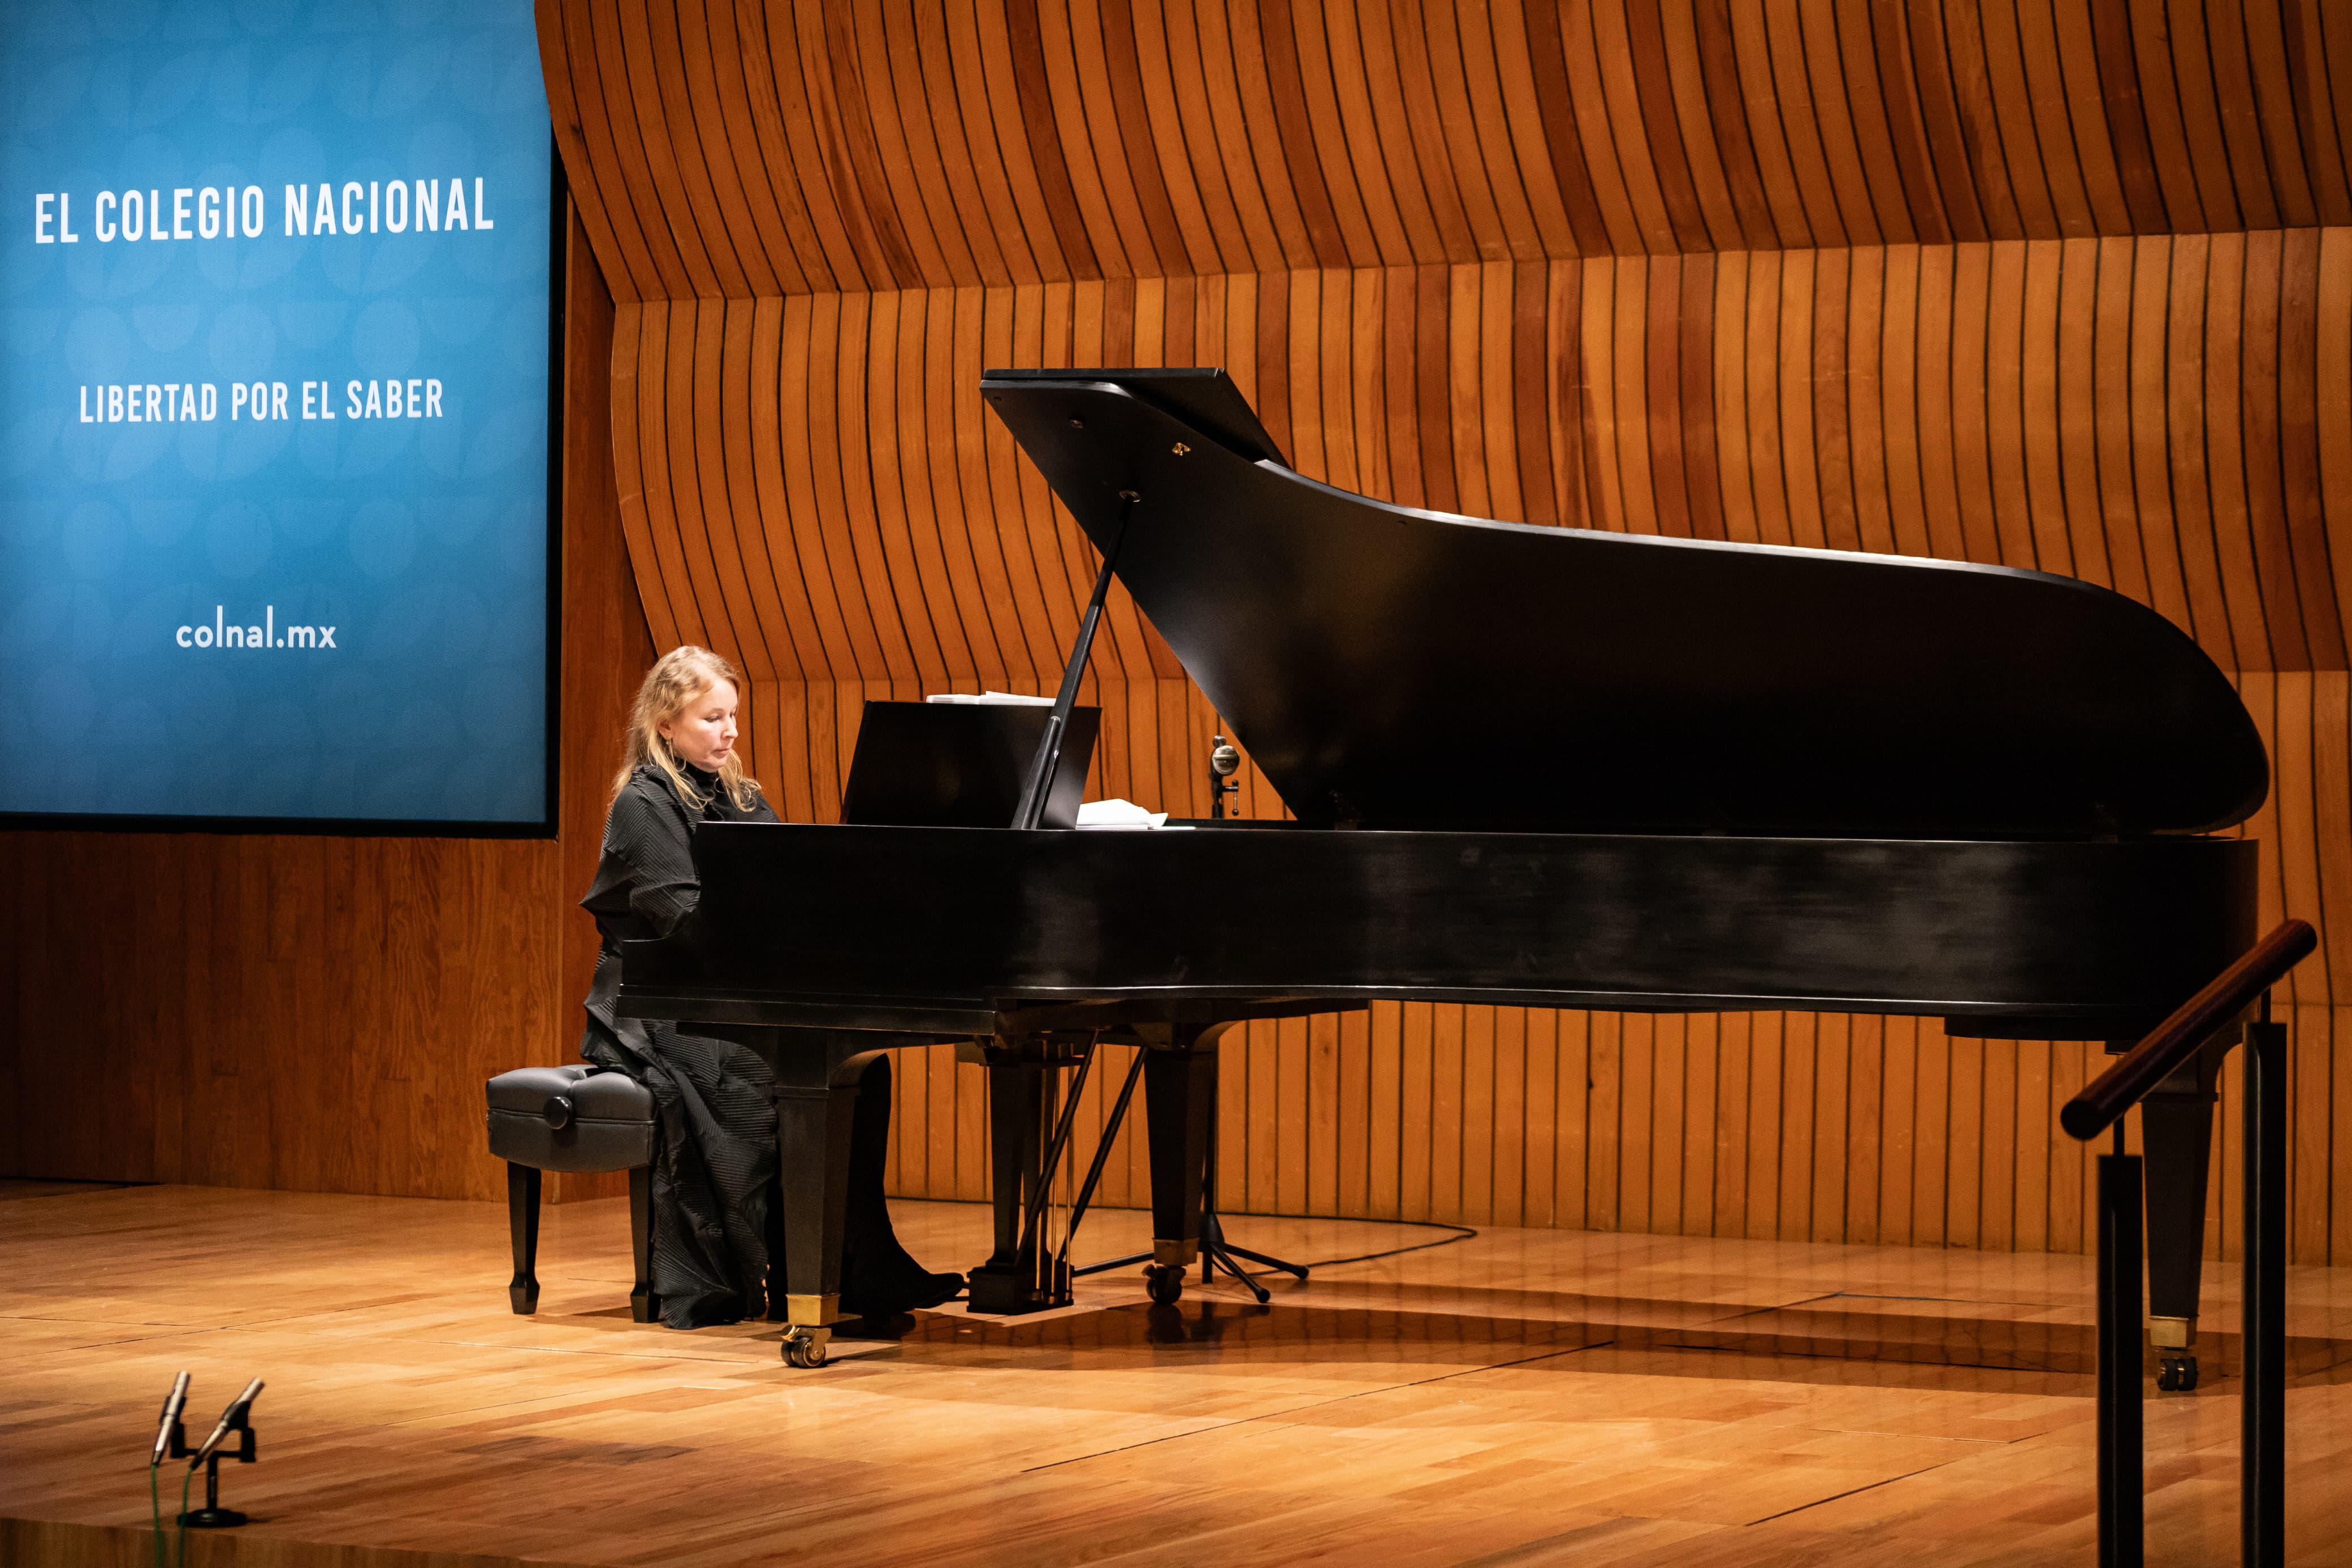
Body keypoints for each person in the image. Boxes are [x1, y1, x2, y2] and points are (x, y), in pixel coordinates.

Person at [578, 645, 961, 1327]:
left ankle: (851, 1270)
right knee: (761, 1070)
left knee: (857, 1064)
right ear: (665, 724)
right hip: (661, 998)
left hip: (735, 982)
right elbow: (680, 916)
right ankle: (789, 1274)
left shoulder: (740, 795)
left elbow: (791, 887)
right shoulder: (643, 802)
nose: (728, 732)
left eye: (732, 717)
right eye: (710, 718)